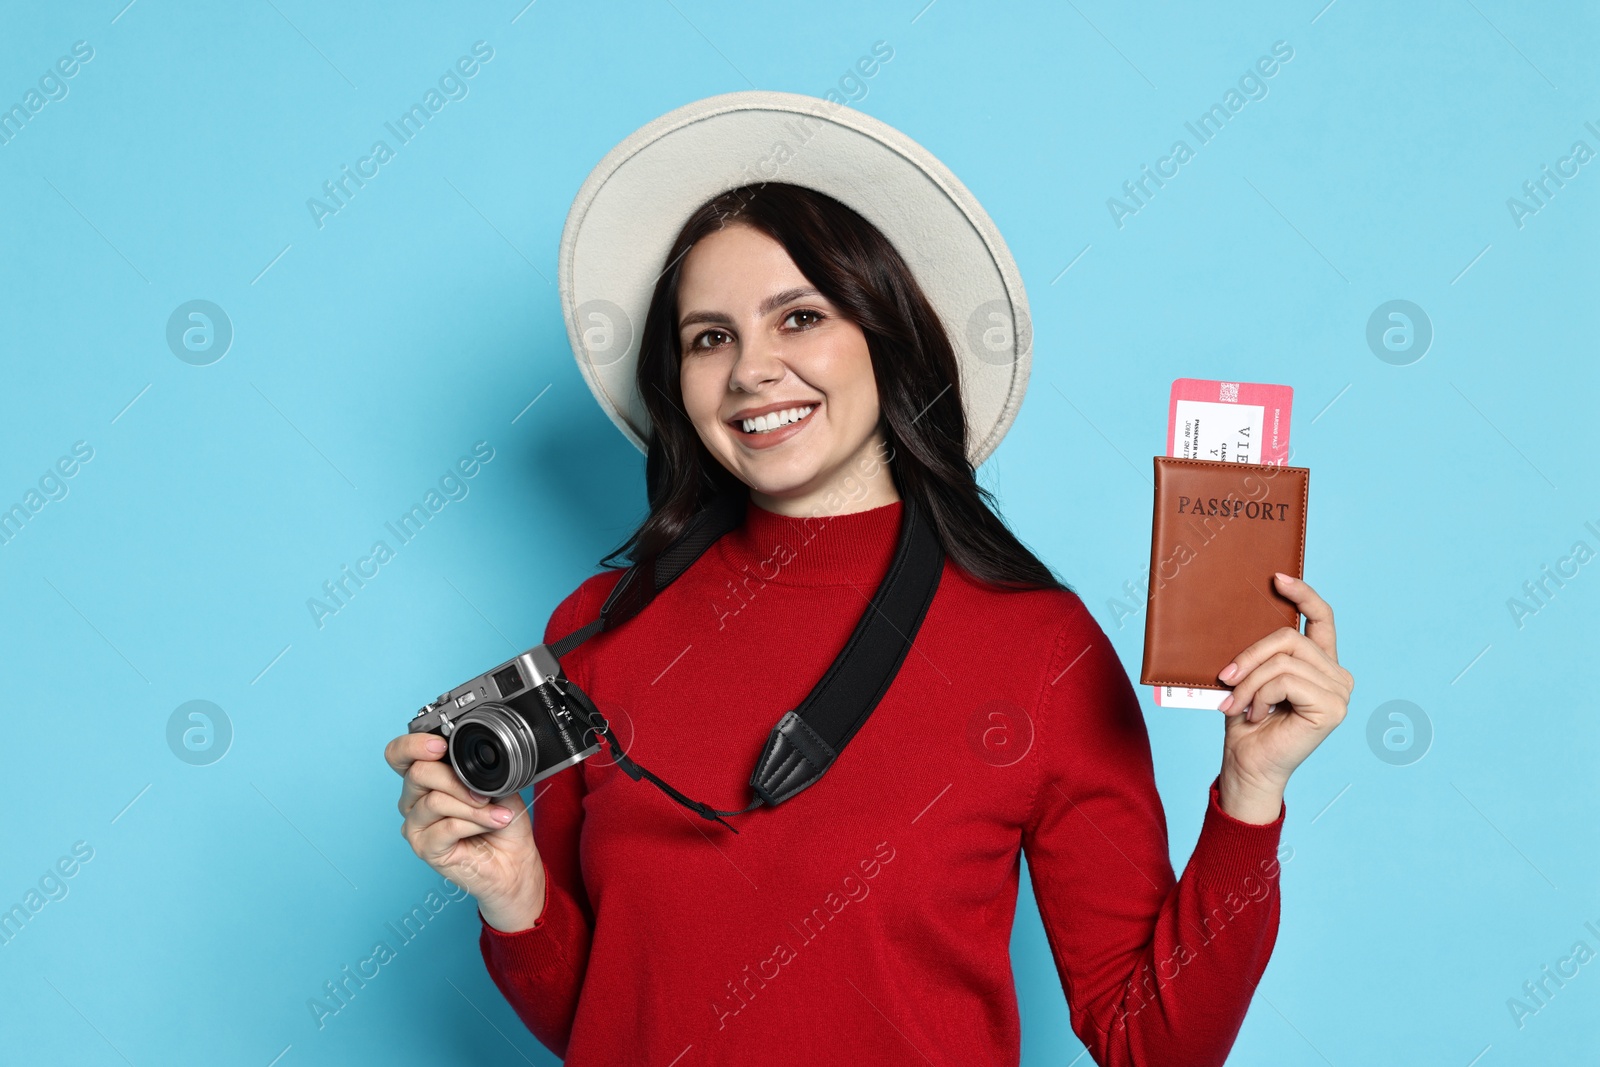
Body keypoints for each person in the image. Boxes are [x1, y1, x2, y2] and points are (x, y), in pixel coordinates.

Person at [384, 96, 1353, 1067]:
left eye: (798, 316)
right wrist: (516, 897)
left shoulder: (1040, 647)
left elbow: (1153, 1043)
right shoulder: (595, 632)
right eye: (708, 336)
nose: (751, 369)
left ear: (885, 334)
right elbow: (609, 1021)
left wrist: (1248, 790)